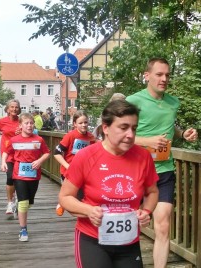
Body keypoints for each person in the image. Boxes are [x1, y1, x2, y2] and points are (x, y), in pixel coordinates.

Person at [59, 100, 159, 268]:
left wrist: (147, 211)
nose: (130, 134)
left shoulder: (143, 157)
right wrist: (89, 210)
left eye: (134, 128)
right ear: (105, 128)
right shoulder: (86, 156)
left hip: (129, 241)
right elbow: (65, 197)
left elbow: (153, 192)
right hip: (92, 239)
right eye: (123, 127)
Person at [125, 57, 198, 268]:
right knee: (130, 224)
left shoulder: (173, 102)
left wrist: (183, 133)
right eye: (159, 74)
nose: (164, 79)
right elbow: (115, 134)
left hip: (163, 171)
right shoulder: (133, 101)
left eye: (167, 75)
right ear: (146, 76)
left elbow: (168, 126)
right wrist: (147, 141)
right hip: (134, 170)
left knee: (163, 225)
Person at [1, 113, 50, 242]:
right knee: (23, 202)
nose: (29, 125)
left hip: (34, 176)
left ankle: (19, 207)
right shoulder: (14, 140)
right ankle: (23, 229)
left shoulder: (38, 140)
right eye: (26, 123)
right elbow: (6, 152)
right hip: (19, 175)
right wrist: (3, 162)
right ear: (21, 125)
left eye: (31, 123)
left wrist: (39, 161)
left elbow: (47, 153)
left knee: (29, 203)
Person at [53, 110, 96, 216]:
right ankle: (62, 203)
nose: (84, 125)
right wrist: (68, 166)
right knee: (69, 195)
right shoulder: (70, 136)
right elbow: (56, 153)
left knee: (81, 197)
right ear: (75, 124)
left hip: (83, 172)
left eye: (85, 122)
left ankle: (83, 217)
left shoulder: (91, 138)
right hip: (68, 172)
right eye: (80, 123)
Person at [0, 99, 21, 215]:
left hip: (19, 152)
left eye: (16, 107)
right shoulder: (2, 121)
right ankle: (10, 202)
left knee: (18, 177)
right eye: (12, 107)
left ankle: (17, 198)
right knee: (10, 176)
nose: (14, 109)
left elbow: (31, 131)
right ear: (8, 109)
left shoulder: (22, 121)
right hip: (7, 152)